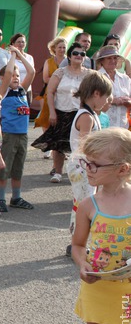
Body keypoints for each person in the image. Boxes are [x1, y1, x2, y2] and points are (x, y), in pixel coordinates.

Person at [70, 128, 131, 324]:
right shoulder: (88, 205)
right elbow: (78, 245)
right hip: (96, 287)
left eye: (95, 164)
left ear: (122, 169)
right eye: (86, 162)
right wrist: (82, 264)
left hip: (127, 292)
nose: (88, 169)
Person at [32, 42, 93, 183]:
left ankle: (79, 171)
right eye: (75, 53)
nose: (79, 56)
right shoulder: (60, 72)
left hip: (80, 114)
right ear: (69, 56)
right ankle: (58, 172)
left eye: (82, 54)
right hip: (61, 112)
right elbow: (50, 92)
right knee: (58, 144)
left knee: (80, 144)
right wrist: (52, 112)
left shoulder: (89, 75)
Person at [66, 72, 113, 236]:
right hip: (82, 166)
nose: (107, 101)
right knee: (84, 202)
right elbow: (84, 146)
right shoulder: (87, 117)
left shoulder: (91, 114)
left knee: (85, 200)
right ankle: (77, 238)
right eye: (106, 97)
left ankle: (80, 236)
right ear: (96, 94)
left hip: (87, 165)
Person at [0, 46, 36, 212]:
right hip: (9, 135)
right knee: (5, 168)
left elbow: (31, 72)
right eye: (12, 76)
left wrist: (19, 55)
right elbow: (8, 72)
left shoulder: (22, 92)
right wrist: (12, 55)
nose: (16, 78)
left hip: (22, 135)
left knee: (18, 169)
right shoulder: (3, 93)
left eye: (18, 76)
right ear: (3, 78)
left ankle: (16, 197)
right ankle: (0, 198)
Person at [34, 37, 68, 155]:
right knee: (47, 118)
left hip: (64, 93)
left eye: (64, 47)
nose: (62, 50)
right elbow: (45, 78)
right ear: (54, 48)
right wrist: (58, 82)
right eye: (60, 47)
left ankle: (59, 146)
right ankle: (48, 142)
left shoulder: (68, 61)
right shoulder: (48, 62)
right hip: (49, 92)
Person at [95, 45, 131, 129]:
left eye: (115, 58)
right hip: (103, 126)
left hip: (123, 125)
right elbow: (92, 100)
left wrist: (128, 102)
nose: (113, 61)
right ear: (102, 61)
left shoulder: (125, 78)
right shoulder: (96, 77)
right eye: (109, 58)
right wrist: (114, 100)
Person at [7, 33, 35, 97]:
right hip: (11, 89)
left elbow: (31, 72)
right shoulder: (8, 56)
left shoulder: (29, 57)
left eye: (23, 42)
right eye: (18, 42)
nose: (21, 44)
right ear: (13, 44)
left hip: (26, 89)